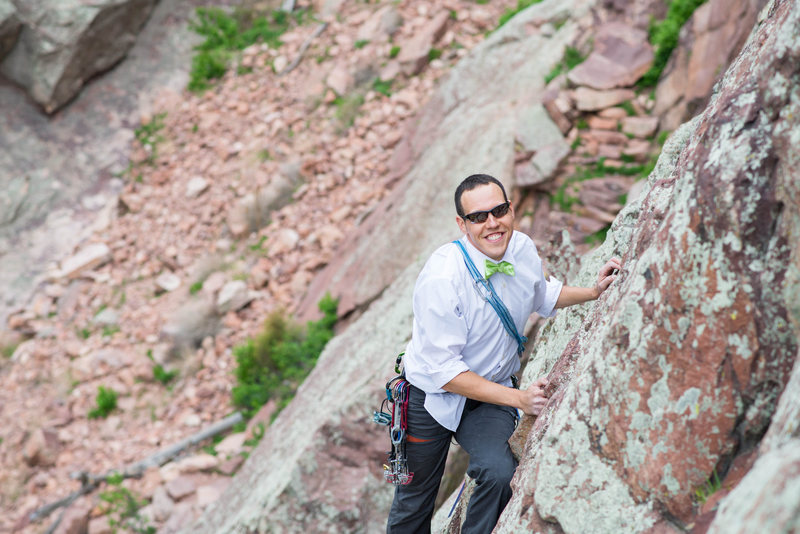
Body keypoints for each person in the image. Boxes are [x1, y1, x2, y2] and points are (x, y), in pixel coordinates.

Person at [386, 174, 620, 533]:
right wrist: (520, 399)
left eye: (499, 210)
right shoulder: (442, 279)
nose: (492, 223)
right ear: (462, 225)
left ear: (511, 209)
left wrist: (593, 292)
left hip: (489, 393)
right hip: (429, 398)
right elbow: (446, 373)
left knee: (498, 475)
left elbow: (543, 295)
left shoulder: (522, 248)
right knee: (414, 502)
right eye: (479, 217)